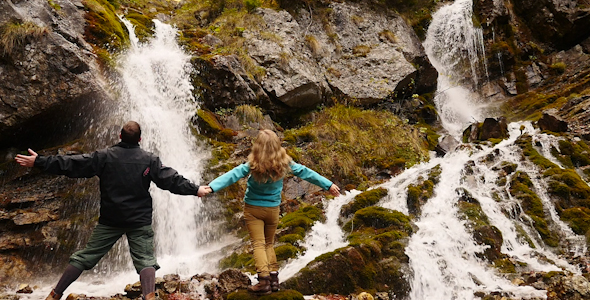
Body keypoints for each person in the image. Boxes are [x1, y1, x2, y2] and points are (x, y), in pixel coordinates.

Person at [14, 121, 208, 300]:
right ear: (140, 139)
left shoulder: (104, 157)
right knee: (146, 260)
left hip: (111, 219)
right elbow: (171, 180)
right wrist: (196, 189)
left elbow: (72, 163)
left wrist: (39, 161)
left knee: (84, 257)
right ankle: (149, 297)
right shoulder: (149, 160)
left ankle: (55, 294)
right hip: (138, 220)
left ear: (119, 136)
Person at [199, 129, 340, 294]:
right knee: (269, 244)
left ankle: (263, 281)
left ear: (257, 147)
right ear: (277, 146)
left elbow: (233, 175)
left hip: (253, 209)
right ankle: (274, 280)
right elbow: (307, 173)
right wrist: (328, 185)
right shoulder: (285, 164)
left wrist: (212, 187)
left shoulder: (252, 164)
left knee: (258, 244)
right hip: (273, 209)